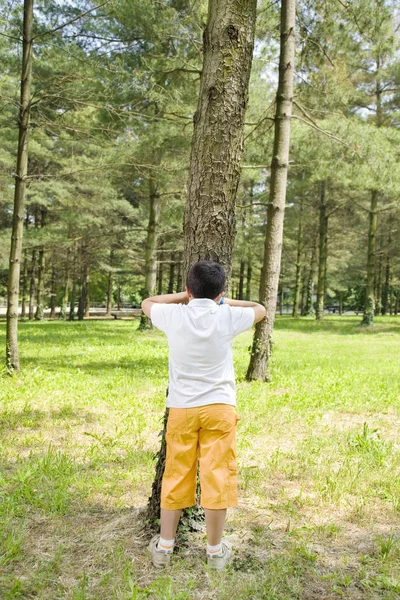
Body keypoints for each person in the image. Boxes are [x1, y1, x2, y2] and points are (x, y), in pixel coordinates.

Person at [141, 260, 266, 570]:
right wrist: (222, 300)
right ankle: (214, 551)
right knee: (218, 476)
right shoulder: (227, 315)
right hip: (220, 409)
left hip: (182, 409)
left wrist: (186, 297)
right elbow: (260, 308)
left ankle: (165, 546)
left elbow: (147, 303)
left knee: (176, 474)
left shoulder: (173, 314)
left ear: (188, 289)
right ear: (220, 292)